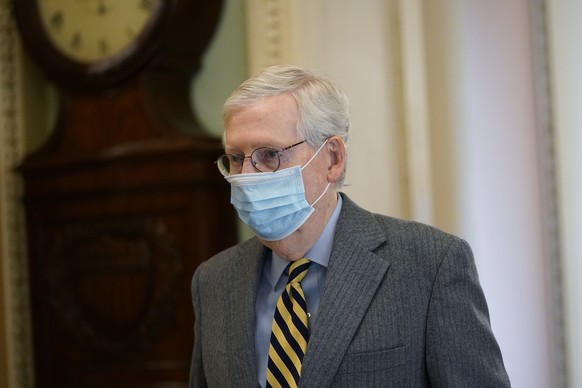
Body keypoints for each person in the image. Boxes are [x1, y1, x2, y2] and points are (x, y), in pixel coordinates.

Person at [189, 64, 510, 387]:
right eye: (235, 158)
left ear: (332, 158)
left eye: (269, 154)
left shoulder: (431, 265)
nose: (245, 175)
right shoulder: (214, 281)